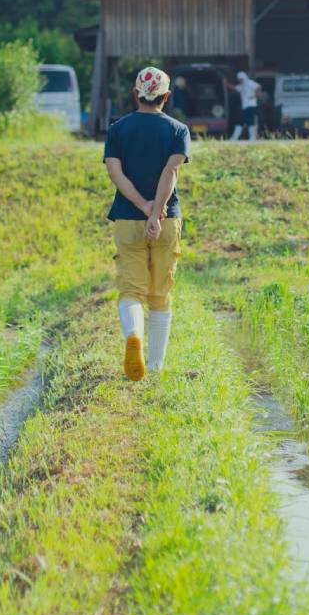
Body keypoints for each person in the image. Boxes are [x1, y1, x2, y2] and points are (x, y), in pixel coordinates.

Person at [103, 66, 190, 381]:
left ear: (135, 94)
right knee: (160, 294)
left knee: (131, 289)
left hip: (127, 218)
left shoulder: (118, 129)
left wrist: (141, 207)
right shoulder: (178, 130)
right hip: (166, 221)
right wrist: (156, 213)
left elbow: (115, 172)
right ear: (166, 97)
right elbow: (171, 172)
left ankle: (133, 336)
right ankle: (155, 366)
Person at [227, 70, 260, 141]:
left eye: (239, 79)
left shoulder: (249, 83)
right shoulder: (242, 86)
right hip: (245, 107)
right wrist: (226, 83)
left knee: (249, 122)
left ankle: (251, 137)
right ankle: (236, 137)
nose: (238, 80)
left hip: (251, 106)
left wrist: (255, 96)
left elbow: (258, 87)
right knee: (242, 122)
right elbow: (234, 87)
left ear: (243, 77)